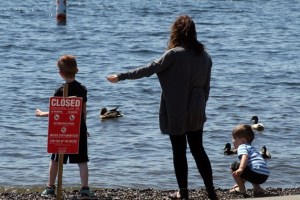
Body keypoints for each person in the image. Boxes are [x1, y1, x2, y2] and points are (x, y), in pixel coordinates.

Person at [107, 15, 218, 200]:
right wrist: (201, 107)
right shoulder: (205, 56)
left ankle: (183, 194)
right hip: (197, 108)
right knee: (199, 149)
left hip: (177, 108)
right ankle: (211, 192)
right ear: (194, 33)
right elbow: (207, 87)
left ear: (176, 32)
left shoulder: (174, 54)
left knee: (179, 151)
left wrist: (121, 76)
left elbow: (148, 69)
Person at [35, 55, 95, 199]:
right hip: (78, 129)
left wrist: (42, 113)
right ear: (76, 70)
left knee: (55, 159)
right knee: (82, 160)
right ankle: (85, 189)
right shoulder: (82, 89)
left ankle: (50, 187)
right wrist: (84, 128)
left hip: (62, 130)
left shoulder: (59, 91)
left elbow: (58, 113)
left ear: (60, 73)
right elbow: (82, 112)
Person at [229, 124, 270, 196]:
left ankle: (241, 189)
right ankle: (257, 189)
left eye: (235, 138)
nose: (233, 141)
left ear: (243, 140)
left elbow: (245, 157)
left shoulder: (242, 146)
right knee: (250, 167)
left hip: (256, 174)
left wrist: (240, 169)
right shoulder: (252, 148)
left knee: (234, 166)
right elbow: (248, 172)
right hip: (264, 175)